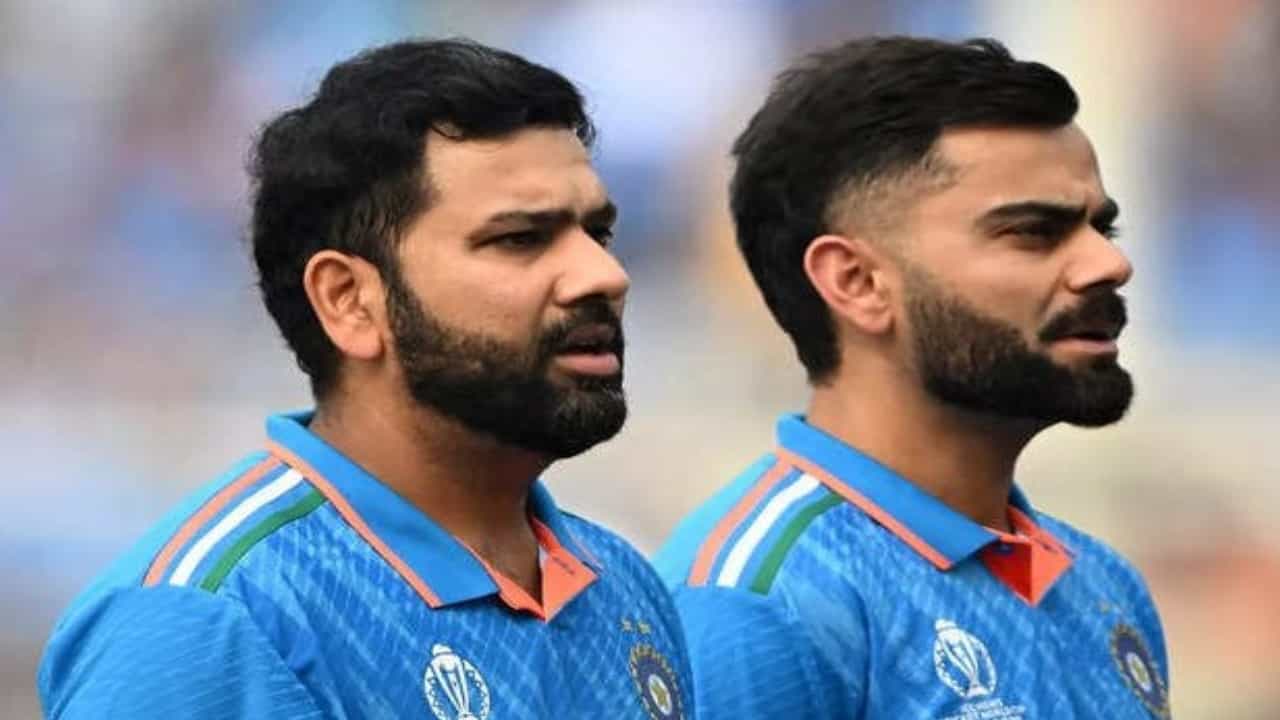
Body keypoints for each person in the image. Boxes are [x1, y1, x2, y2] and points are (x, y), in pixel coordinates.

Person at [40, 38, 693, 720]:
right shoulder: (208, 621)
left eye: (598, 234)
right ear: (349, 300)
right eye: (520, 238)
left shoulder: (624, 588)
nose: (604, 276)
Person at [655, 36, 1170, 719]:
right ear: (858, 282)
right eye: (1034, 231)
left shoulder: (1103, 586)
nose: (1108, 264)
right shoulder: (758, 602)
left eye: (1103, 229)